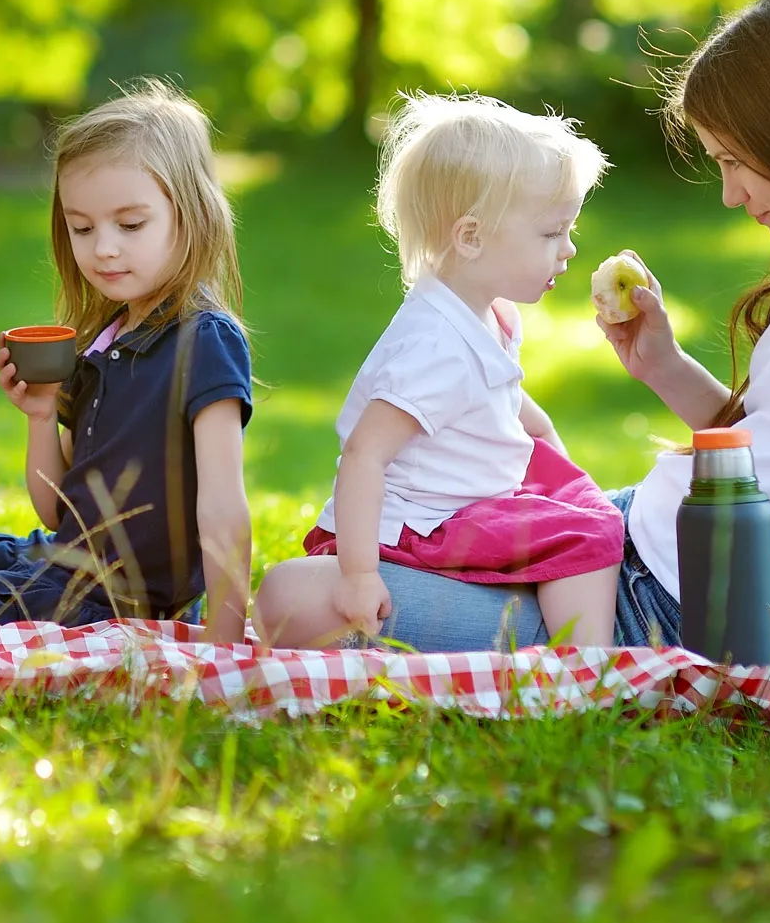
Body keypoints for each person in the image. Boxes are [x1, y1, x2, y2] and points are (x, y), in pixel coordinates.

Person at [332, 0, 770, 675]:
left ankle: (574, 671)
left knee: (302, 601)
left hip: (669, 609)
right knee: (365, 558)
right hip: (645, 541)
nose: (729, 194)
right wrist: (662, 365)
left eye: (734, 160)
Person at [0, 80, 254, 642]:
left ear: (192, 215)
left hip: (113, 594)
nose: (102, 247)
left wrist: (225, 644)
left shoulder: (203, 341)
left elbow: (224, 507)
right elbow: (57, 511)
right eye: (82, 227)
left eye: (130, 225)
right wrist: (40, 416)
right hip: (60, 559)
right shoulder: (101, 343)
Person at [255, 94, 625, 649]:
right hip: (422, 525)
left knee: (582, 513)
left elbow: (508, 399)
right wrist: (358, 575)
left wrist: (554, 456)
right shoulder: (434, 346)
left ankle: (571, 641)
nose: (569, 249)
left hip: (465, 499)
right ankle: (585, 663)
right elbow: (364, 453)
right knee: (590, 532)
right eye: (552, 233)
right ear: (471, 237)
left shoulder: (485, 313)